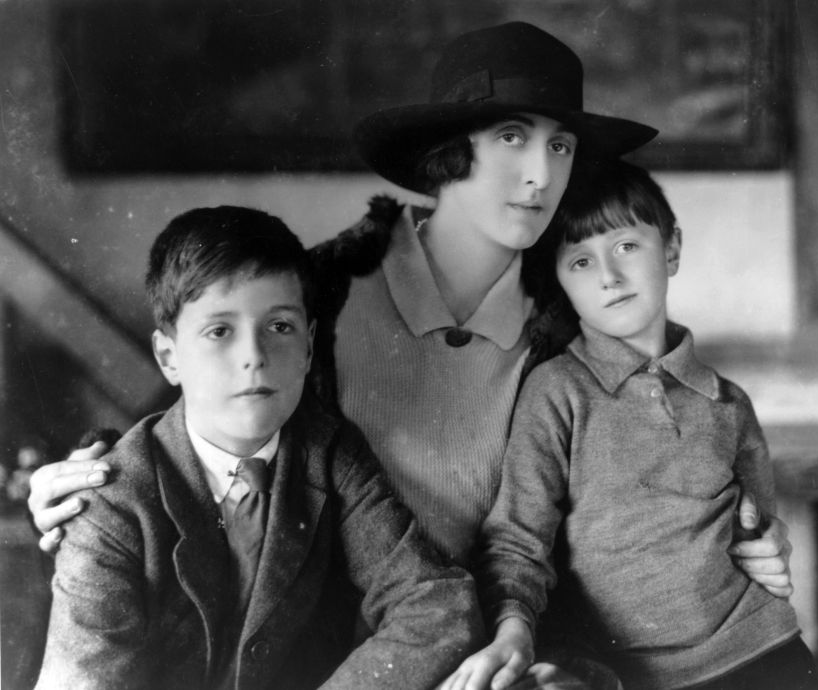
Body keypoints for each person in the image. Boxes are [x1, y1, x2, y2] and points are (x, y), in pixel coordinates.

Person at [28, 21, 794, 685]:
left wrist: (750, 531)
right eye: (512, 138)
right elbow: (215, 397)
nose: (540, 174)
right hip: (333, 654)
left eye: (559, 145)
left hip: (499, 646)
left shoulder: (569, 322)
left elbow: (648, 459)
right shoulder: (330, 284)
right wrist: (88, 472)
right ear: (447, 151)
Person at [34, 206, 483, 690]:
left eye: (280, 327)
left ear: (309, 347)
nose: (254, 357)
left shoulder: (329, 452)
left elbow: (438, 605)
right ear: (168, 357)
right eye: (219, 331)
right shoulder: (111, 500)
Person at [444, 162, 817, 690]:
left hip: (761, 650)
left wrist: (766, 536)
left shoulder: (728, 402)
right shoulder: (557, 391)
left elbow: (759, 537)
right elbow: (518, 540)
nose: (608, 277)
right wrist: (512, 632)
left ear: (671, 249)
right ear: (560, 282)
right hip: (629, 671)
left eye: (625, 246)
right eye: (580, 260)